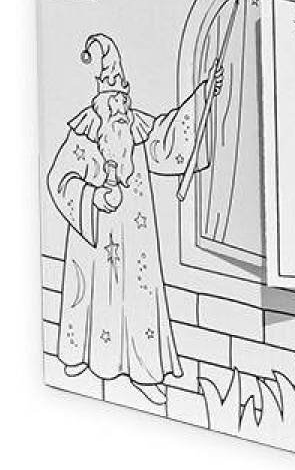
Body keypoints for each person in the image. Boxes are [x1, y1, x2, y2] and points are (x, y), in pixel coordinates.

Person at [46, 34, 221, 405]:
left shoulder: (135, 128)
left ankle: (144, 372)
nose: (120, 106)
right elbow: (60, 180)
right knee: (90, 292)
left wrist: (204, 95)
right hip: (94, 236)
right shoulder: (85, 134)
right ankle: (81, 355)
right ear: (100, 101)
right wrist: (93, 197)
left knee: (137, 296)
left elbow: (168, 142)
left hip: (135, 235)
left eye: (123, 94)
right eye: (113, 98)